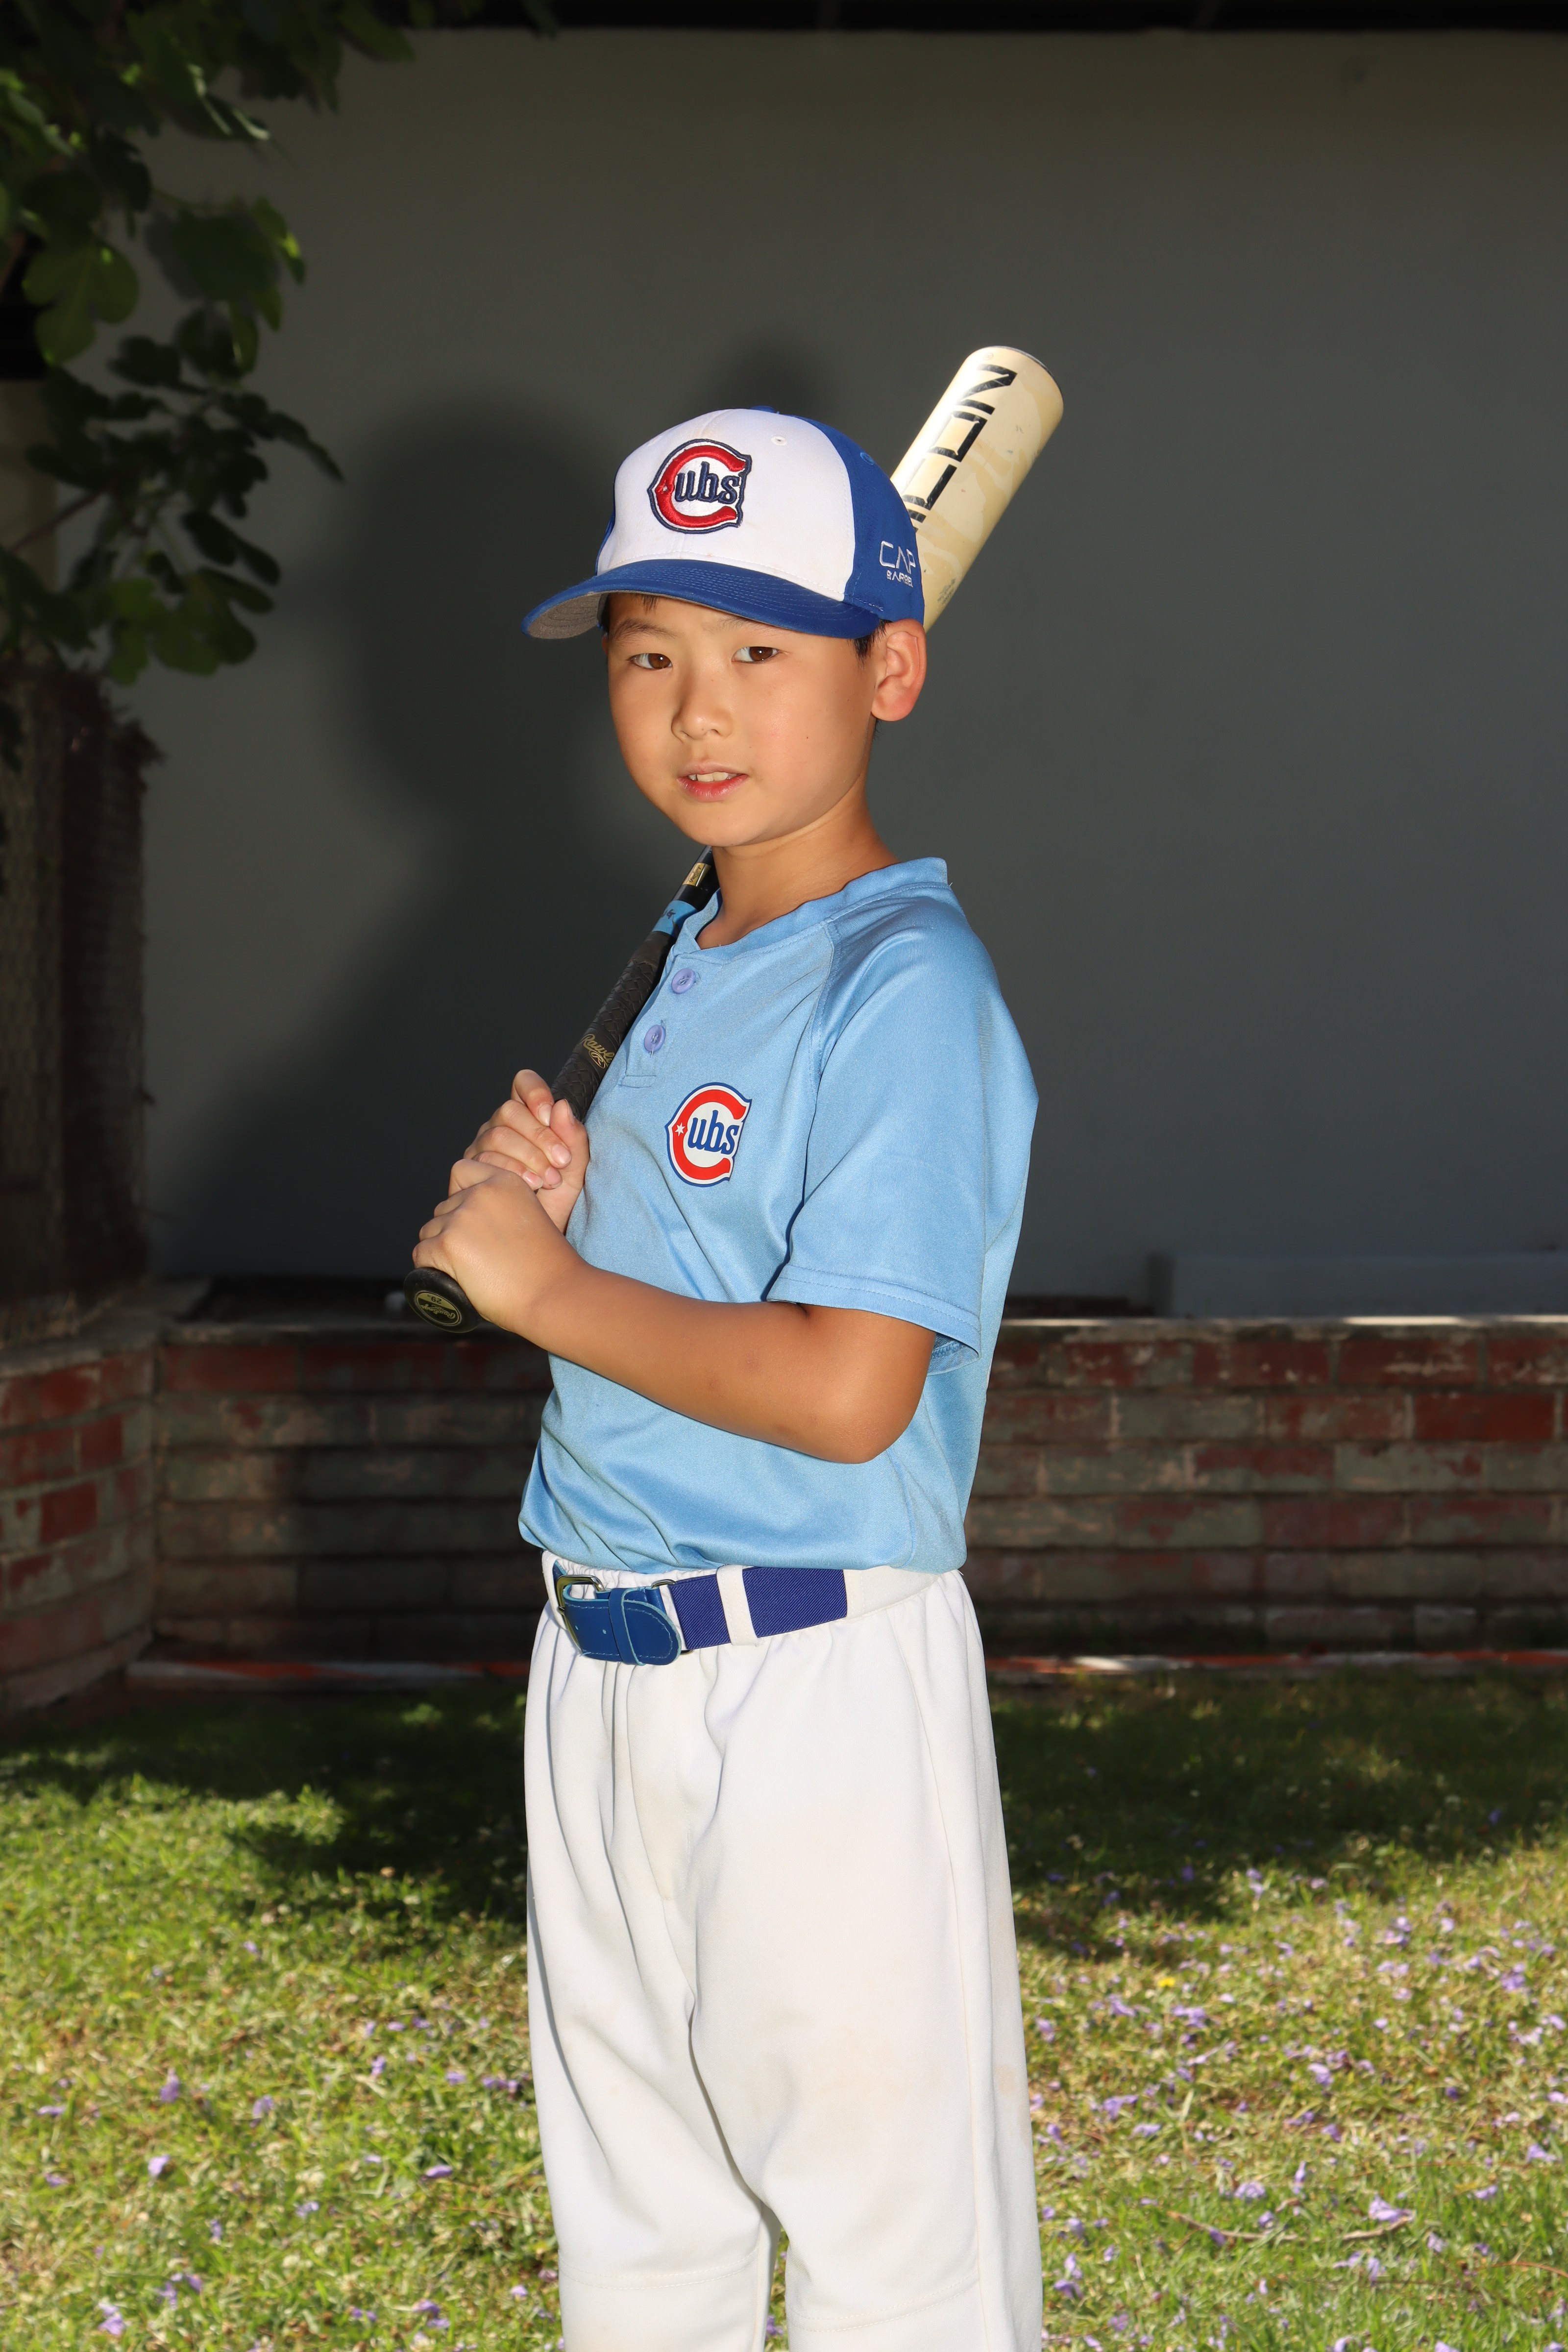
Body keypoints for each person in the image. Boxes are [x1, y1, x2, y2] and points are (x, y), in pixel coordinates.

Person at [413, 407, 1041, 2352]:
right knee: (641, 2242)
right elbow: (684, 1285)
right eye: (648, 652)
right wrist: (568, 1222)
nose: (699, 707)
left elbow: (850, 1393)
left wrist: (543, 1293)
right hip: (599, 1659)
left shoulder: (903, 989)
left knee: (886, 2262)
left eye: (763, 649)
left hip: (811, 1680)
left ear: (889, 669)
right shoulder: (699, 948)